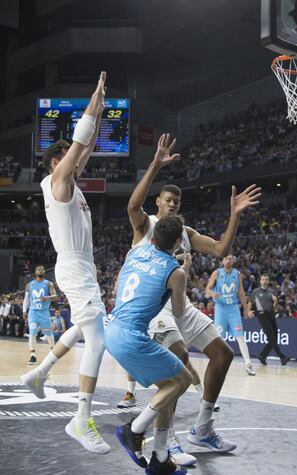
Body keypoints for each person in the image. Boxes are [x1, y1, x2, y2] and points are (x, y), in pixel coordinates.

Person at [121, 133, 261, 458]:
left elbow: (221, 248)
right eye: (167, 200)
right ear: (158, 202)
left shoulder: (185, 232)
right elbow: (132, 205)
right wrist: (156, 164)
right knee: (179, 361)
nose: (172, 205)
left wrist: (234, 215)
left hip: (180, 307)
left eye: (177, 203)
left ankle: (202, 429)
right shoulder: (147, 226)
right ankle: (167, 441)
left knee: (223, 355)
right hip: (153, 309)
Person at [21, 71, 110, 454]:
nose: (78, 159)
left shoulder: (68, 181)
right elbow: (79, 143)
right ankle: (81, 419)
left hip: (81, 266)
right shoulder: (58, 180)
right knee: (98, 339)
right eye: (69, 155)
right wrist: (92, 101)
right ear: (57, 160)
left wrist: (101, 110)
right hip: (73, 265)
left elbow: (85, 146)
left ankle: (39, 373)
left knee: (83, 325)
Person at [106, 216, 192, 475]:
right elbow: (177, 312)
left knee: (168, 386)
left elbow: (121, 282)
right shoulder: (175, 272)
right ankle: (133, 430)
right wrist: (183, 275)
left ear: (153, 237)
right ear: (177, 242)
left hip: (113, 328)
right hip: (133, 336)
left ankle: (161, 458)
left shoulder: (137, 251)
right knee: (183, 380)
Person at [206, 255, 256, 376]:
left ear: (233, 261)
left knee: (240, 337)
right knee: (220, 338)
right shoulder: (217, 273)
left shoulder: (237, 274)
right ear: (222, 261)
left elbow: (241, 292)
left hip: (233, 308)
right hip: (221, 308)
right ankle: (218, 363)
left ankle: (248, 364)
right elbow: (208, 289)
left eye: (230, 259)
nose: (228, 261)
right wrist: (212, 294)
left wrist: (245, 309)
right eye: (226, 259)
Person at [248, 273, 290, 366]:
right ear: (260, 281)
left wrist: (275, 301)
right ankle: (282, 357)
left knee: (274, 338)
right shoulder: (255, 291)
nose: (265, 281)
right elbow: (250, 302)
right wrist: (248, 311)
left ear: (268, 281)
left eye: (266, 280)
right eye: (263, 279)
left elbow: (274, 307)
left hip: (271, 314)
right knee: (271, 337)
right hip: (261, 314)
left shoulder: (272, 291)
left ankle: (262, 355)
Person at [22, 265, 58, 364]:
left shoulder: (48, 284)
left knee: (48, 334)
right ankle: (33, 355)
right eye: (39, 269)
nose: (41, 270)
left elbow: (55, 296)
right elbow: (26, 299)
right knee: (32, 333)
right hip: (33, 313)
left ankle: (52, 353)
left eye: (42, 269)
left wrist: (46, 297)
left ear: (44, 272)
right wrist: (24, 310)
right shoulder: (30, 285)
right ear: (35, 272)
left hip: (44, 313)